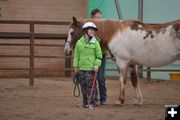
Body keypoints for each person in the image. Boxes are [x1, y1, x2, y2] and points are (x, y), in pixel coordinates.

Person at [73, 22, 102, 109]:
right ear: (85, 31)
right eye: (91, 29)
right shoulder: (79, 42)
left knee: (91, 87)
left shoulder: (96, 42)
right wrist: (76, 67)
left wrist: (97, 65)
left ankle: (92, 102)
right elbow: (76, 56)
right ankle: (85, 102)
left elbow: (99, 56)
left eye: (94, 30)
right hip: (81, 69)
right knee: (83, 86)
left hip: (91, 69)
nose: (93, 31)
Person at [91, 8, 107, 105]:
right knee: (93, 78)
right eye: (97, 15)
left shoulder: (104, 26)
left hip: (102, 55)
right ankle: (95, 98)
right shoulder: (90, 27)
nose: (99, 17)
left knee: (101, 78)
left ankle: (103, 98)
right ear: (93, 16)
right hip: (91, 56)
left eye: (100, 16)